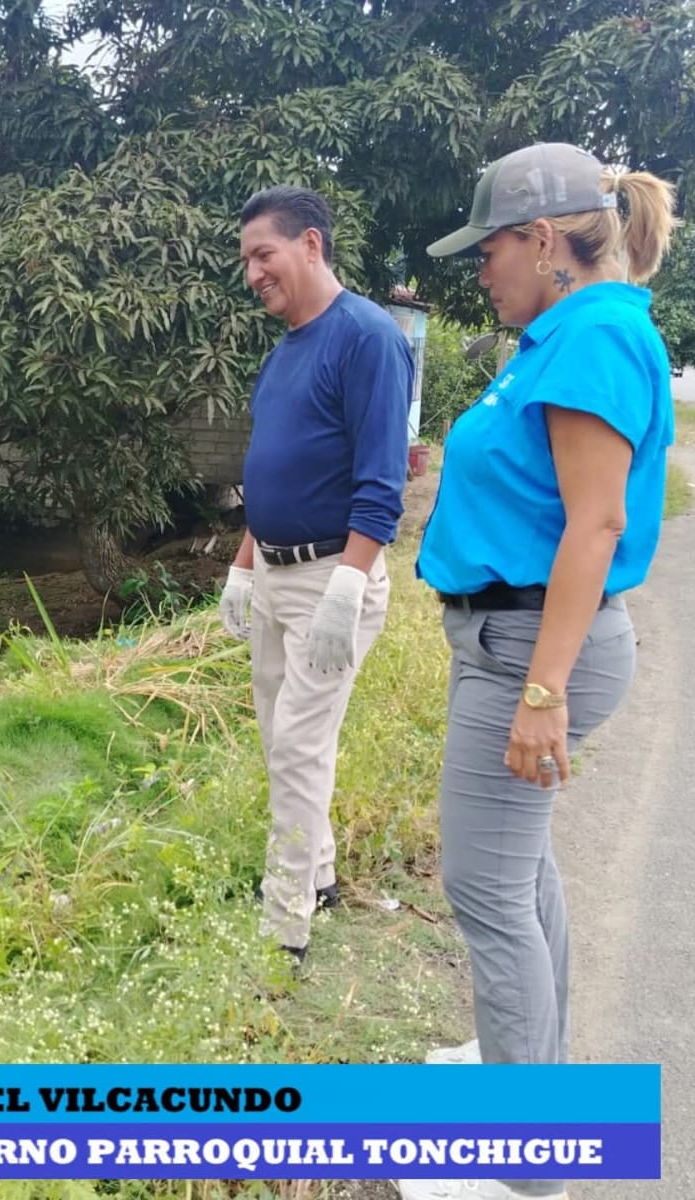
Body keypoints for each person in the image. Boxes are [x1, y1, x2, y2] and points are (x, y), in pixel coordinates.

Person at [398, 143, 678, 1200]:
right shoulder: (561, 335)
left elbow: (596, 525)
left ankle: (523, 1159)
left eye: (490, 251)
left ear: (545, 240)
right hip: (513, 642)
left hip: (530, 648)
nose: (481, 273)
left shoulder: (591, 338)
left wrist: (543, 693)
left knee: (483, 886)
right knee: (521, 872)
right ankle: (534, 1088)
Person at [220, 185, 414, 961]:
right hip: (274, 573)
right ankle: (319, 875)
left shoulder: (365, 338)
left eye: (262, 254)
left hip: (331, 577)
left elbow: (382, 479)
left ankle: (284, 928)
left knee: (299, 747)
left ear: (310, 244)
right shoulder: (285, 350)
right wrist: (243, 566)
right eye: (245, 261)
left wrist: (348, 586)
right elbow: (274, 471)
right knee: (281, 738)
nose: (252, 274)